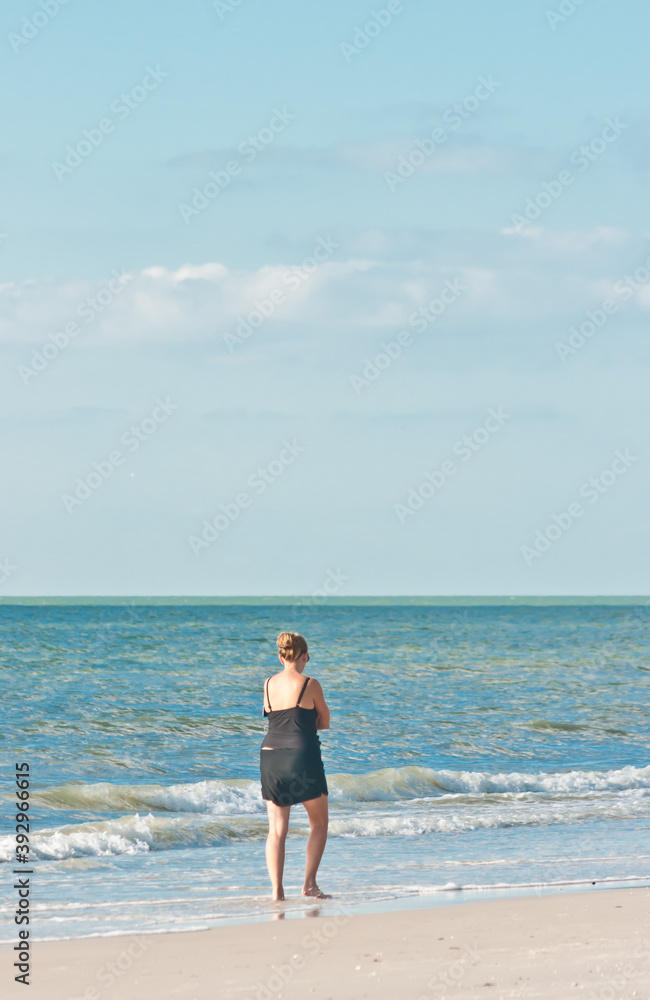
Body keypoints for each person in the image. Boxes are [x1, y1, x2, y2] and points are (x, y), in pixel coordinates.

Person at [260, 632, 331, 900]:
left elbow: (271, 715)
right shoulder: (310, 684)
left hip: (270, 756)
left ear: (281, 657)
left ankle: (277, 892)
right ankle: (309, 884)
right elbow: (324, 721)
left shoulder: (267, 684)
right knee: (319, 823)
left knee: (277, 830)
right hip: (302, 755)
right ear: (304, 656)